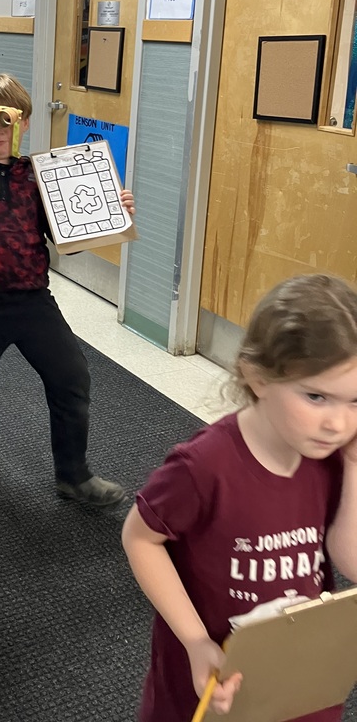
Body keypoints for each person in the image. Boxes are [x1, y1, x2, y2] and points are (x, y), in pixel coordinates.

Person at [121, 273, 357, 722]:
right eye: (316, 396)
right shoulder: (204, 466)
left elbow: (350, 561)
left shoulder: (333, 456)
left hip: (297, 674)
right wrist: (194, 640)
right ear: (258, 376)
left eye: (356, 402)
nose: (338, 424)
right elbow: (139, 538)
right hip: (213, 673)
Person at [0, 72, 134, 506]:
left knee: (71, 377)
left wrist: (106, 212)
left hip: (31, 298)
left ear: (22, 122)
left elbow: (71, 242)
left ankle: (73, 474)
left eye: (8, 119)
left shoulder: (40, 175)